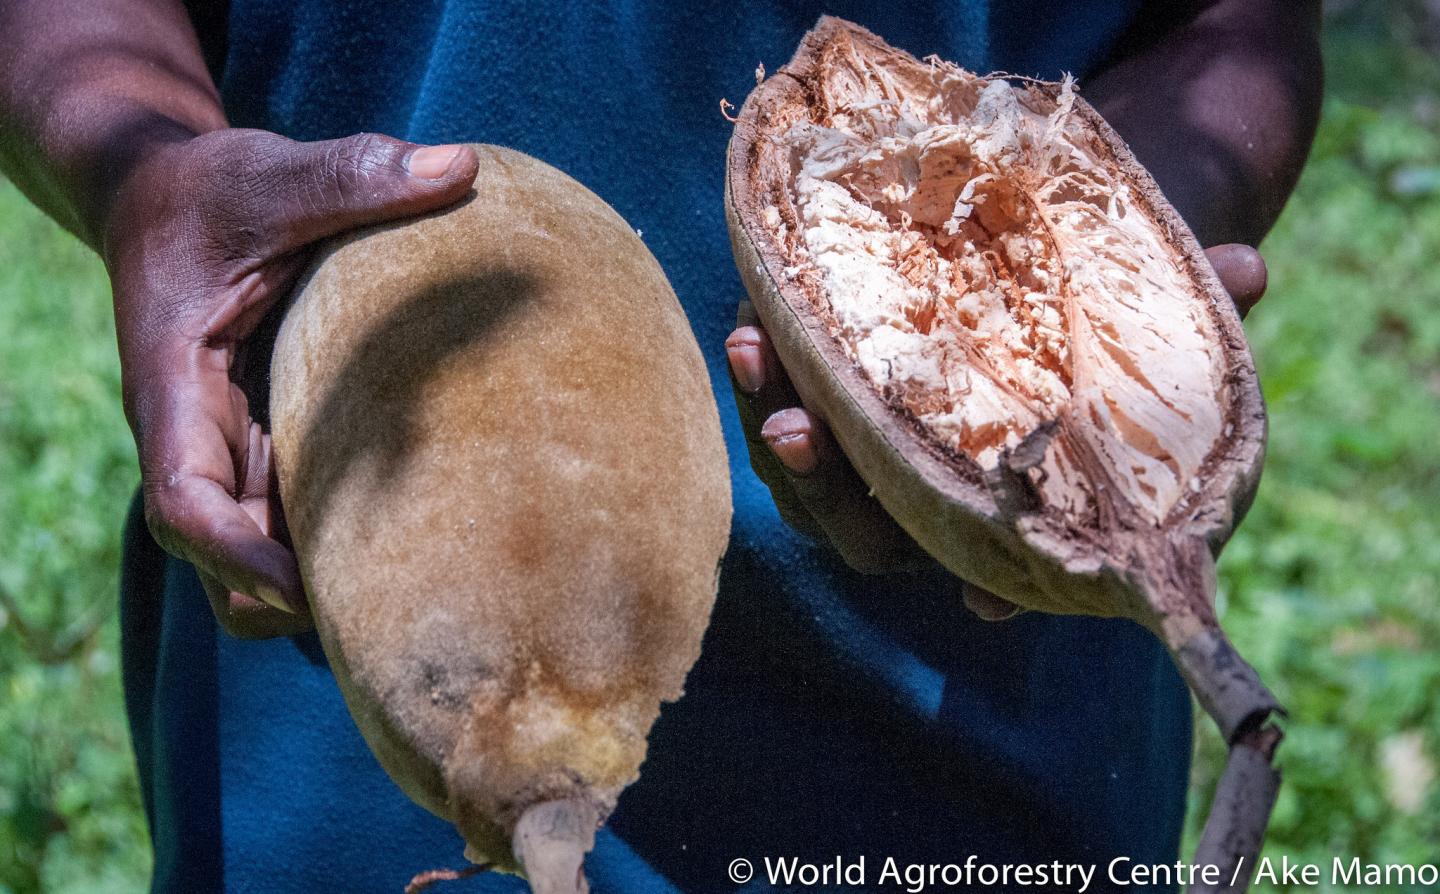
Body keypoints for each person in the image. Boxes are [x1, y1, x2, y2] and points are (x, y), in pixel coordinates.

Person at [0, 2, 1321, 891]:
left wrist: (1098, 230)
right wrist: (144, 172)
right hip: (341, 711)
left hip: (988, 729)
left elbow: (1238, 24)